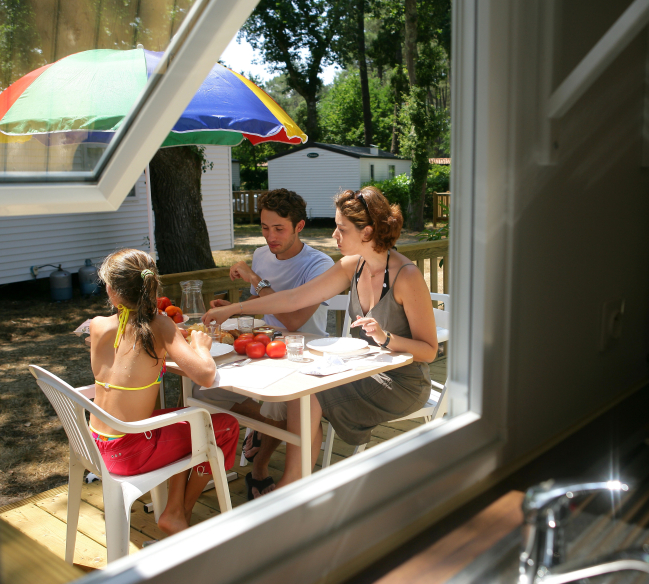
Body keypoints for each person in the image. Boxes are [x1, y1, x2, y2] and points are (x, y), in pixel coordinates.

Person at [202, 186, 437, 489]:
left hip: (402, 382)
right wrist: (235, 309)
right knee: (305, 385)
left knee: (310, 392)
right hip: (361, 371)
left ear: (366, 232)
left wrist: (385, 337)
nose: (334, 236)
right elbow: (293, 300)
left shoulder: (407, 276)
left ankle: (290, 486)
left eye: (341, 229)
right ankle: (293, 484)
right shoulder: (353, 265)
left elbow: (429, 351)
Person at [89, 249, 239, 536]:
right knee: (224, 427)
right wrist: (201, 348)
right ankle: (180, 512)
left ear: (111, 290)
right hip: (131, 453)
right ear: (151, 286)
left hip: (96, 445)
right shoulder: (160, 324)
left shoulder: (98, 326)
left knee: (185, 419)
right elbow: (206, 375)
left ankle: (173, 510)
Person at [199, 188, 334, 499]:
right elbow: (258, 304)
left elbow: (293, 321)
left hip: (304, 352)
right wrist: (234, 308)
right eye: (264, 227)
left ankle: (262, 463)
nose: (270, 237)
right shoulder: (262, 255)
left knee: (289, 407)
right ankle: (256, 436)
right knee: (205, 386)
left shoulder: (319, 264)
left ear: (299, 226)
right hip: (261, 346)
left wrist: (254, 280)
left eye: (279, 229)